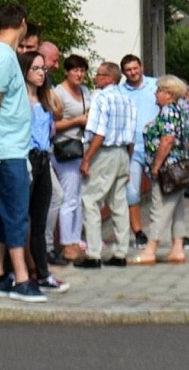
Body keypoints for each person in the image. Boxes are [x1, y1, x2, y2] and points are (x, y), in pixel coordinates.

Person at [0, 3, 43, 302]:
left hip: (2, 146)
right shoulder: (4, 57)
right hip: (7, 147)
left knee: (0, 213)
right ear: (23, 24)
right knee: (17, 213)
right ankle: (22, 278)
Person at [131, 76, 189, 265]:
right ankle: (177, 248)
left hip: (167, 169)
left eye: (158, 90)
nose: (155, 94)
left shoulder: (167, 111)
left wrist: (156, 165)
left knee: (161, 209)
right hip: (180, 166)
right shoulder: (181, 111)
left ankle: (150, 249)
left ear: (169, 94)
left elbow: (167, 140)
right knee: (178, 209)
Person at [77, 61, 135, 268]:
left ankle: (93, 253)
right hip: (122, 153)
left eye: (99, 74)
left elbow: (99, 132)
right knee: (118, 203)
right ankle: (121, 252)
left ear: (109, 78)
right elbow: (131, 135)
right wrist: (127, 162)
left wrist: (87, 158)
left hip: (104, 152)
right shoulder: (127, 99)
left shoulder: (101, 97)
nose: (95, 77)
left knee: (90, 199)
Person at [22, 50, 68, 294]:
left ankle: (42, 272)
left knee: (39, 220)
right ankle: (21, 270)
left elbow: (57, 112)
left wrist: (47, 89)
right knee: (22, 218)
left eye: (43, 69)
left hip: (43, 158)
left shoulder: (45, 100)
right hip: (26, 158)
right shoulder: (19, 101)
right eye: (36, 69)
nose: (41, 73)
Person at [52, 53, 90, 262]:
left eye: (82, 70)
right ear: (66, 71)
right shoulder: (58, 93)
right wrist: (77, 121)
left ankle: (76, 241)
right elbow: (53, 125)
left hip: (82, 149)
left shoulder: (85, 92)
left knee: (79, 198)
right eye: (75, 70)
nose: (79, 74)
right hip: (65, 149)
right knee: (68, 198)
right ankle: (67, 244)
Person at [119, 54, 157, 248]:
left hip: (154, 147)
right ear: (124, 73)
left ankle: (164, 231)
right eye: (128, 70)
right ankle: (138, 232)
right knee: (132, 192)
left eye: (135, 68)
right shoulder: (120, 91)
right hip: (131, 148)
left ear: (141, 67)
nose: (133, 73)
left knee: (161, 190)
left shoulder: (155, 86)